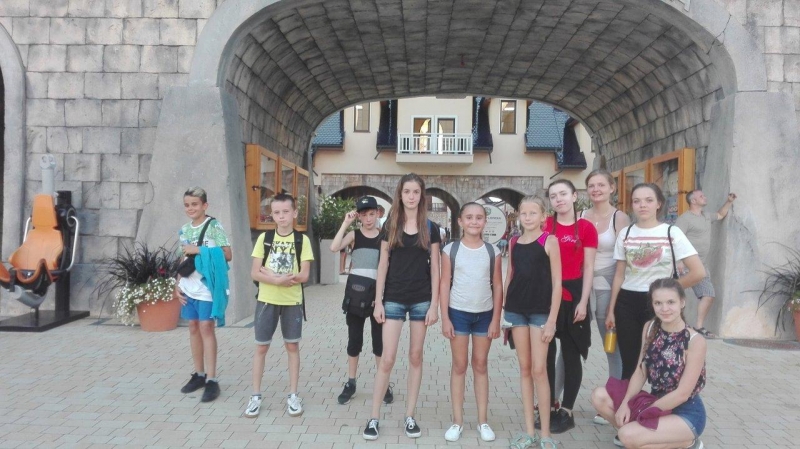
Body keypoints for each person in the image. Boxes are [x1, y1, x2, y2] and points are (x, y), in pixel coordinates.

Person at [362, 173, 441, 441]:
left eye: (416, 192)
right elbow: (382, 264)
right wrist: (378, 301)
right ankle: (374, 417)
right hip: (394, 297)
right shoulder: (390, 225)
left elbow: (436, 268)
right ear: (400, 194)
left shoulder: (431, 228)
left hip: (421, 298)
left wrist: (434, 305)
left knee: (416, 356)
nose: (411, 196)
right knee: (387, 358)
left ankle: (409, 415)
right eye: (407, 191)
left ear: (422, 195)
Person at [591, 278, 708, 449]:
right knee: (599, 396)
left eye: (671, 302)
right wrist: (625, 403)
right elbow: (640, 371)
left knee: (626, 436)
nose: (664, 308)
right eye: (658, 303)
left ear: (682, 302)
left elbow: (682, 394)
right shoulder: (650, 327)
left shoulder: (695, 341)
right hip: (654, 400)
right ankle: (649, 437)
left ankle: (688, 442)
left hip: (685, 412)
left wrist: (645, 413)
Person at [606, 183, 705, 383]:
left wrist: (669, 291)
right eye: (637, 201)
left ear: (659, 204)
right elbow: (619, 275)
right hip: (627, 303)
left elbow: (698, 272)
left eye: (649, 200)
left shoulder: (672, 233)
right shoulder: (625, 233)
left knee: (661, 362)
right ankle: (629, 402)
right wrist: (611, 310)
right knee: (630, 364)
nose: (642, 205)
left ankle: (662, 401)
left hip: (658, 304)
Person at [244, 193, 314, 418]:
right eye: (276, 212)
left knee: (292, 346)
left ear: (294, 213)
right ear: (272, 215)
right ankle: (255, 396)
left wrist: (274, 275)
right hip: (267, 300)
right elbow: (255, 272)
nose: (281, 216)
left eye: (286, 212)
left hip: (292, 301)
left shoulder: (302, 240)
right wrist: (276, 280)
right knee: (261, 347)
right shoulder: (264, 239)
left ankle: (293, 394)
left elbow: (304, 275)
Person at [440, 202, 503, 443]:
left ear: (485, 221)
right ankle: (457, 421)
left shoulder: (493, 251)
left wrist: (496, 319)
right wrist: (445, 318)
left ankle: (482, 421)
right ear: (460, 221)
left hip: (484, 315)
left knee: (480, 365)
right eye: (469, 217)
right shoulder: (450, 250)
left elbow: (498, 286)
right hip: (458, 313)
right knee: (459, 366)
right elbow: (444, 284)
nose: (474, 222)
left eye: (479, 217)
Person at [539, 179, 598, 434]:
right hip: (548, 294)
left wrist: (583, 301)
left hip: (574, 294)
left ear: (574, 196)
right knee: (547, 355)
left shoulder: (586, 228)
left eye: (563, 194)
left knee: (572, 355)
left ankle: (567, 410)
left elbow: (589, 267)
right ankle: (549, 405)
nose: (559, 199)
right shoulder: (544, 225)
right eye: (553, 196)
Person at [503, 196, 561, 449]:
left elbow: (557, 283)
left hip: (540, 313)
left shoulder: (549, 241)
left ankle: (545, 433)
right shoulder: (514, 242)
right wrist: (505, 310)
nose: (527, 217)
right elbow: (510, 275)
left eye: (533, 213)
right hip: (516, 311)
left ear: (543, 216)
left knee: (539, 370)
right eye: (523, 213)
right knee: (525, 369)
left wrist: (552, 320)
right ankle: (529, 432)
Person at [329, 196, 393, 405]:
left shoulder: (385, 237)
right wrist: (345, 223)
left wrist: (382, 297)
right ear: (359, 217)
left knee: (379, 342)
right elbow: (334, 247)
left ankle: (383, 384)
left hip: (377, 295)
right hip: (356, 294)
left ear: (378, 214)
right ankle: (351, 382)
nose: (368, 219)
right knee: (354, 340)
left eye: (372, 214)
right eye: (364, 215)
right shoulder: (354, 235)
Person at [580, 169, 630, 425]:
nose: (596, 189)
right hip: (582, 288)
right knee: (571, 344)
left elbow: (624, 260)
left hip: (608, 289)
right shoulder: (580, 216)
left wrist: (614, 301)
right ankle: (555, 401)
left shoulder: (619, 218)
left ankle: (615, 403)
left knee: (611, 346)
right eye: (591, 185)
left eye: (601, 185)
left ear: (612, 188)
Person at [175, 187, 232, 403]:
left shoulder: (214, 226)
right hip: (189, 285)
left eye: (195, 204)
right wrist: (177, 284)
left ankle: (212, 379)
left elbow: (227, 254)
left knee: (206, 327)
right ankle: (198, 374)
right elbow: (183, 259)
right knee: (192, 327)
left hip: (207, 286)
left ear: (204, 205)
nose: (190, 208)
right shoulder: (184, 230)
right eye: (187, 205)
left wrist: (199, 250)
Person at [675, 190, 737, 338]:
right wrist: (679, 261)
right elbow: (675, 239)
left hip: (701, 266)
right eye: (701, 196)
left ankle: (699, 327)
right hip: (686, 265)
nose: (705, 197)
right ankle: (674, 327)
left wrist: (729, 202)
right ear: (693, 201)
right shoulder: (685, 219)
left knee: (708, 295)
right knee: (675, 295)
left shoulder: (706, 216)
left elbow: (720, 214)